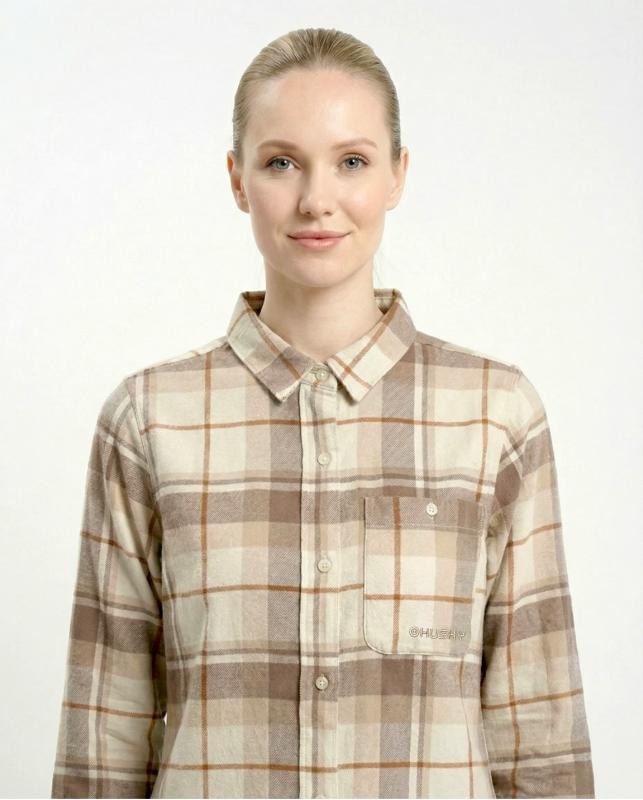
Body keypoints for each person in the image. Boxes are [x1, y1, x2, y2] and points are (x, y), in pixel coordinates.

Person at [51, 27, 595, 799]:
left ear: (397, 174)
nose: (316, 200)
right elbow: (102, 737)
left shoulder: (493, 415)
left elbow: (539, 733)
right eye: (281, 162)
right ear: (237, 179)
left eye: (352, 161)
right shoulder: (148, 421)